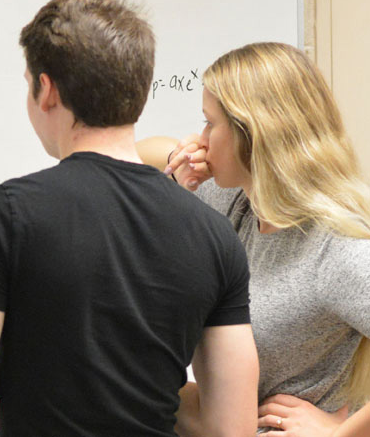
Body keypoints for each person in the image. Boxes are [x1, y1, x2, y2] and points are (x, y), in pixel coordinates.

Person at [0, 0, 258, 437]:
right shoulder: (217, 236)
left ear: (47, 90)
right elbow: (230, 428)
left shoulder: (6, 216)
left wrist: (25, 352)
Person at [137, 42, 370, 436]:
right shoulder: (235, 200)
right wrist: (178, 176)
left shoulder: (337, 250)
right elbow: (134, 157)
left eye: (210, 124)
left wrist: (342, 432)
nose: (201, 137)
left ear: (252, 133)